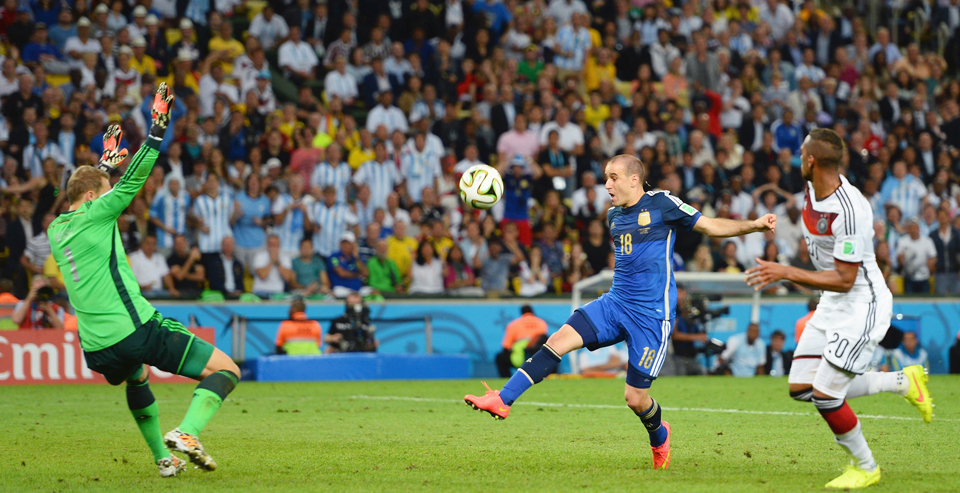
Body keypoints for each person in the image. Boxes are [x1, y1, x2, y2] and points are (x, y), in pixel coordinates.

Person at [466, 154, 776, 471]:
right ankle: (503, 400)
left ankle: (660, 435)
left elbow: (710, 226)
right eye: (605, 177)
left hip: (651, 317)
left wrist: (753, 225)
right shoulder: (614, 216)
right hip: (615, 303)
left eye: (613, 177)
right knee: (558, 339)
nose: (607, 184)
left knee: (635, 399)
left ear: (634, 179)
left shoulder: (663, 204)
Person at [47, 85, 239, 478]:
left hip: (97, 348)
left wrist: (104, 165)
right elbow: (134, 179)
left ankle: (163, 461)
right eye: (105, 192)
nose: (111, 195)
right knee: (227, 369)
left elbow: (92, 190)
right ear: (90, 198)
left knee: (137, 376)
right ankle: (187, 433)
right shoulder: (97, 214)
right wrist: (155, 131)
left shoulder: (57, 229)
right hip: (134, 328)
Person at [746, 128, 932, 489]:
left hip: (862, 302)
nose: (799, 158)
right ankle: (901, 381)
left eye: (802, 153)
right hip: (833, 300)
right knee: (801, 386)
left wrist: (785, 271)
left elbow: (846, 279)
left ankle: (866, 466)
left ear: (812, 160)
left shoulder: (850, 210)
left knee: (826, 395)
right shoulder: (811, 188)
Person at [495, 305, 549, 378]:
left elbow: (506, 346)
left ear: (522, 313)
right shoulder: (541, 323)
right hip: (537, 357)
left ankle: (506, 379)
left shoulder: (514, 324)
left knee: (500, 358)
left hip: (519, 357)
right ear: (532, 312)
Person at [895, 218, 937, 294]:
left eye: (915, 227)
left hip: (924, 277)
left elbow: (933, 257)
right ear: (908, 230)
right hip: (908, 278)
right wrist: (902, 260)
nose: (914, 230)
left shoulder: (927, 241)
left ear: (919, 229)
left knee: (925, 301)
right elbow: (899, 257)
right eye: (911, 228)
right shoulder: (902, 241)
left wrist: (931, 264)